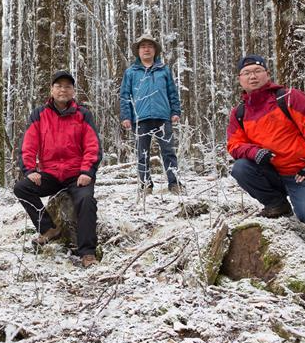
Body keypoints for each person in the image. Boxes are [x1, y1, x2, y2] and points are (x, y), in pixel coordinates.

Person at [227, 54, 305, 266]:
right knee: (240, 168)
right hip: (271, 173)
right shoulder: (239, 113)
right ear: (240, 79)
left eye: (257, 71)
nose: (252, 77)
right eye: (247, 73)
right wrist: (254, 152)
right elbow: (234, 145)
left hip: (302, 172)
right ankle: (277, 204)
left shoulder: (288, 97)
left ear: (267, 74)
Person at [14, 70, 103, 268]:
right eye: (59, 86)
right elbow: (28, 145)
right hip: (51, 173)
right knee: (22, 188)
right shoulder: (39, 114)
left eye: (67, 86)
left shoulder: (83, 114)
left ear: (73, 91)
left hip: (76, 174)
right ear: (52, 90)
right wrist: (30, 170)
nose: (63, 90)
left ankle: (87, 252)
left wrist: (87, 172)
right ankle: (48, 229)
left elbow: (93, 146)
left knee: (86, 200)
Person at [119, 34, 184, 194]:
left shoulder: (164, 70)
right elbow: (125, 95)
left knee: (169, 152)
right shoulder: (131, 72)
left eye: (150, 46)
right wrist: (126, 116)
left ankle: (174, 184)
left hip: (163, 117)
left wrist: (175, 111)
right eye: (143, 46)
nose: (146, 49)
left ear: (155, 50)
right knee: (142, 153)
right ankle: (145, 185)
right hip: (140, 118)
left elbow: (172, 92)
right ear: (138, 51)